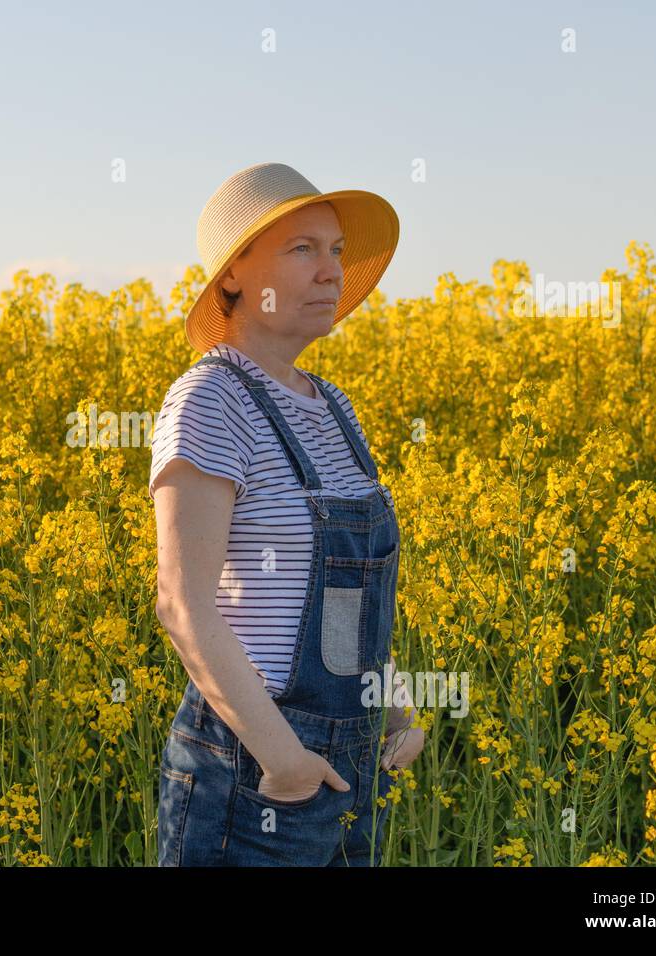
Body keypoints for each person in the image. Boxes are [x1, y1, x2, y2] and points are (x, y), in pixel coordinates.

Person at [150, 162, 424, 866]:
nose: (331, 271)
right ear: (234, 275)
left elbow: (348, 597)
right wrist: (285, 761)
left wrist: (392, 709)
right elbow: (183, 606)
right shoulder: (212, 400)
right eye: (302, 249)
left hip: (350, 760)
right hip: (253, 768)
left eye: (335, 250)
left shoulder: (335, 408)